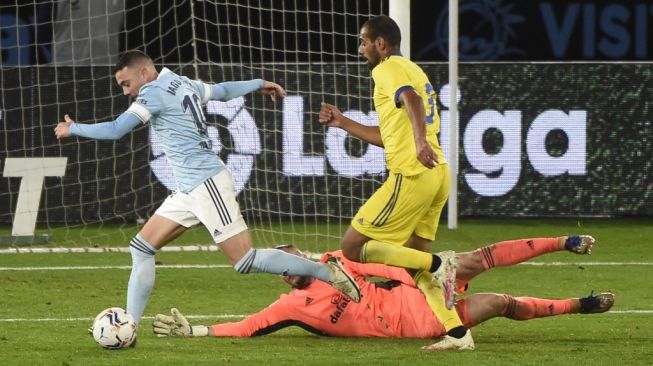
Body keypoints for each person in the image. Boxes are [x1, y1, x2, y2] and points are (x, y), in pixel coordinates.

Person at [55, 50, 361, 337]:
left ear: (145, 73)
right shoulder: (182, 82)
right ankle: (130, 328)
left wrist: (74, 129)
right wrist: (258, 83)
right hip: (188, 189)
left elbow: (116, 129)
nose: (125, 91)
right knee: (141, 248)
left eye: (126, 83)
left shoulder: (153, 92)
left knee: (243, 260)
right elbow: (222, 91)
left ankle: (325, 272)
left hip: (206, 182)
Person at [152, 235, 614, 351]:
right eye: (279, 267)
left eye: (288, 260)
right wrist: (196, 329)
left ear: (300, 257)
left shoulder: (337, 262)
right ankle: (580, 305)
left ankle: (564, 242)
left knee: (472, 259)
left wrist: (425, 276)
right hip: (413, 326)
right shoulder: (290, 307)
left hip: (418, 294)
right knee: (498, 303)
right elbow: (248, 327)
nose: (285, 271)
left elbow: (383, 264)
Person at [318, 15, 468, 349]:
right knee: (413, 265)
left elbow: (412, 101)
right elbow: (388, 135)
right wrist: (343, 122)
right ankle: (457, 333)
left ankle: (440, 264)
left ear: (380, 44)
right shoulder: (413, 68)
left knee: (352, 247)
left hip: (412, 174)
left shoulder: (385, 70)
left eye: (363, 41)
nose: (360, 49)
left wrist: (419, 144)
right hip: (437, 174)